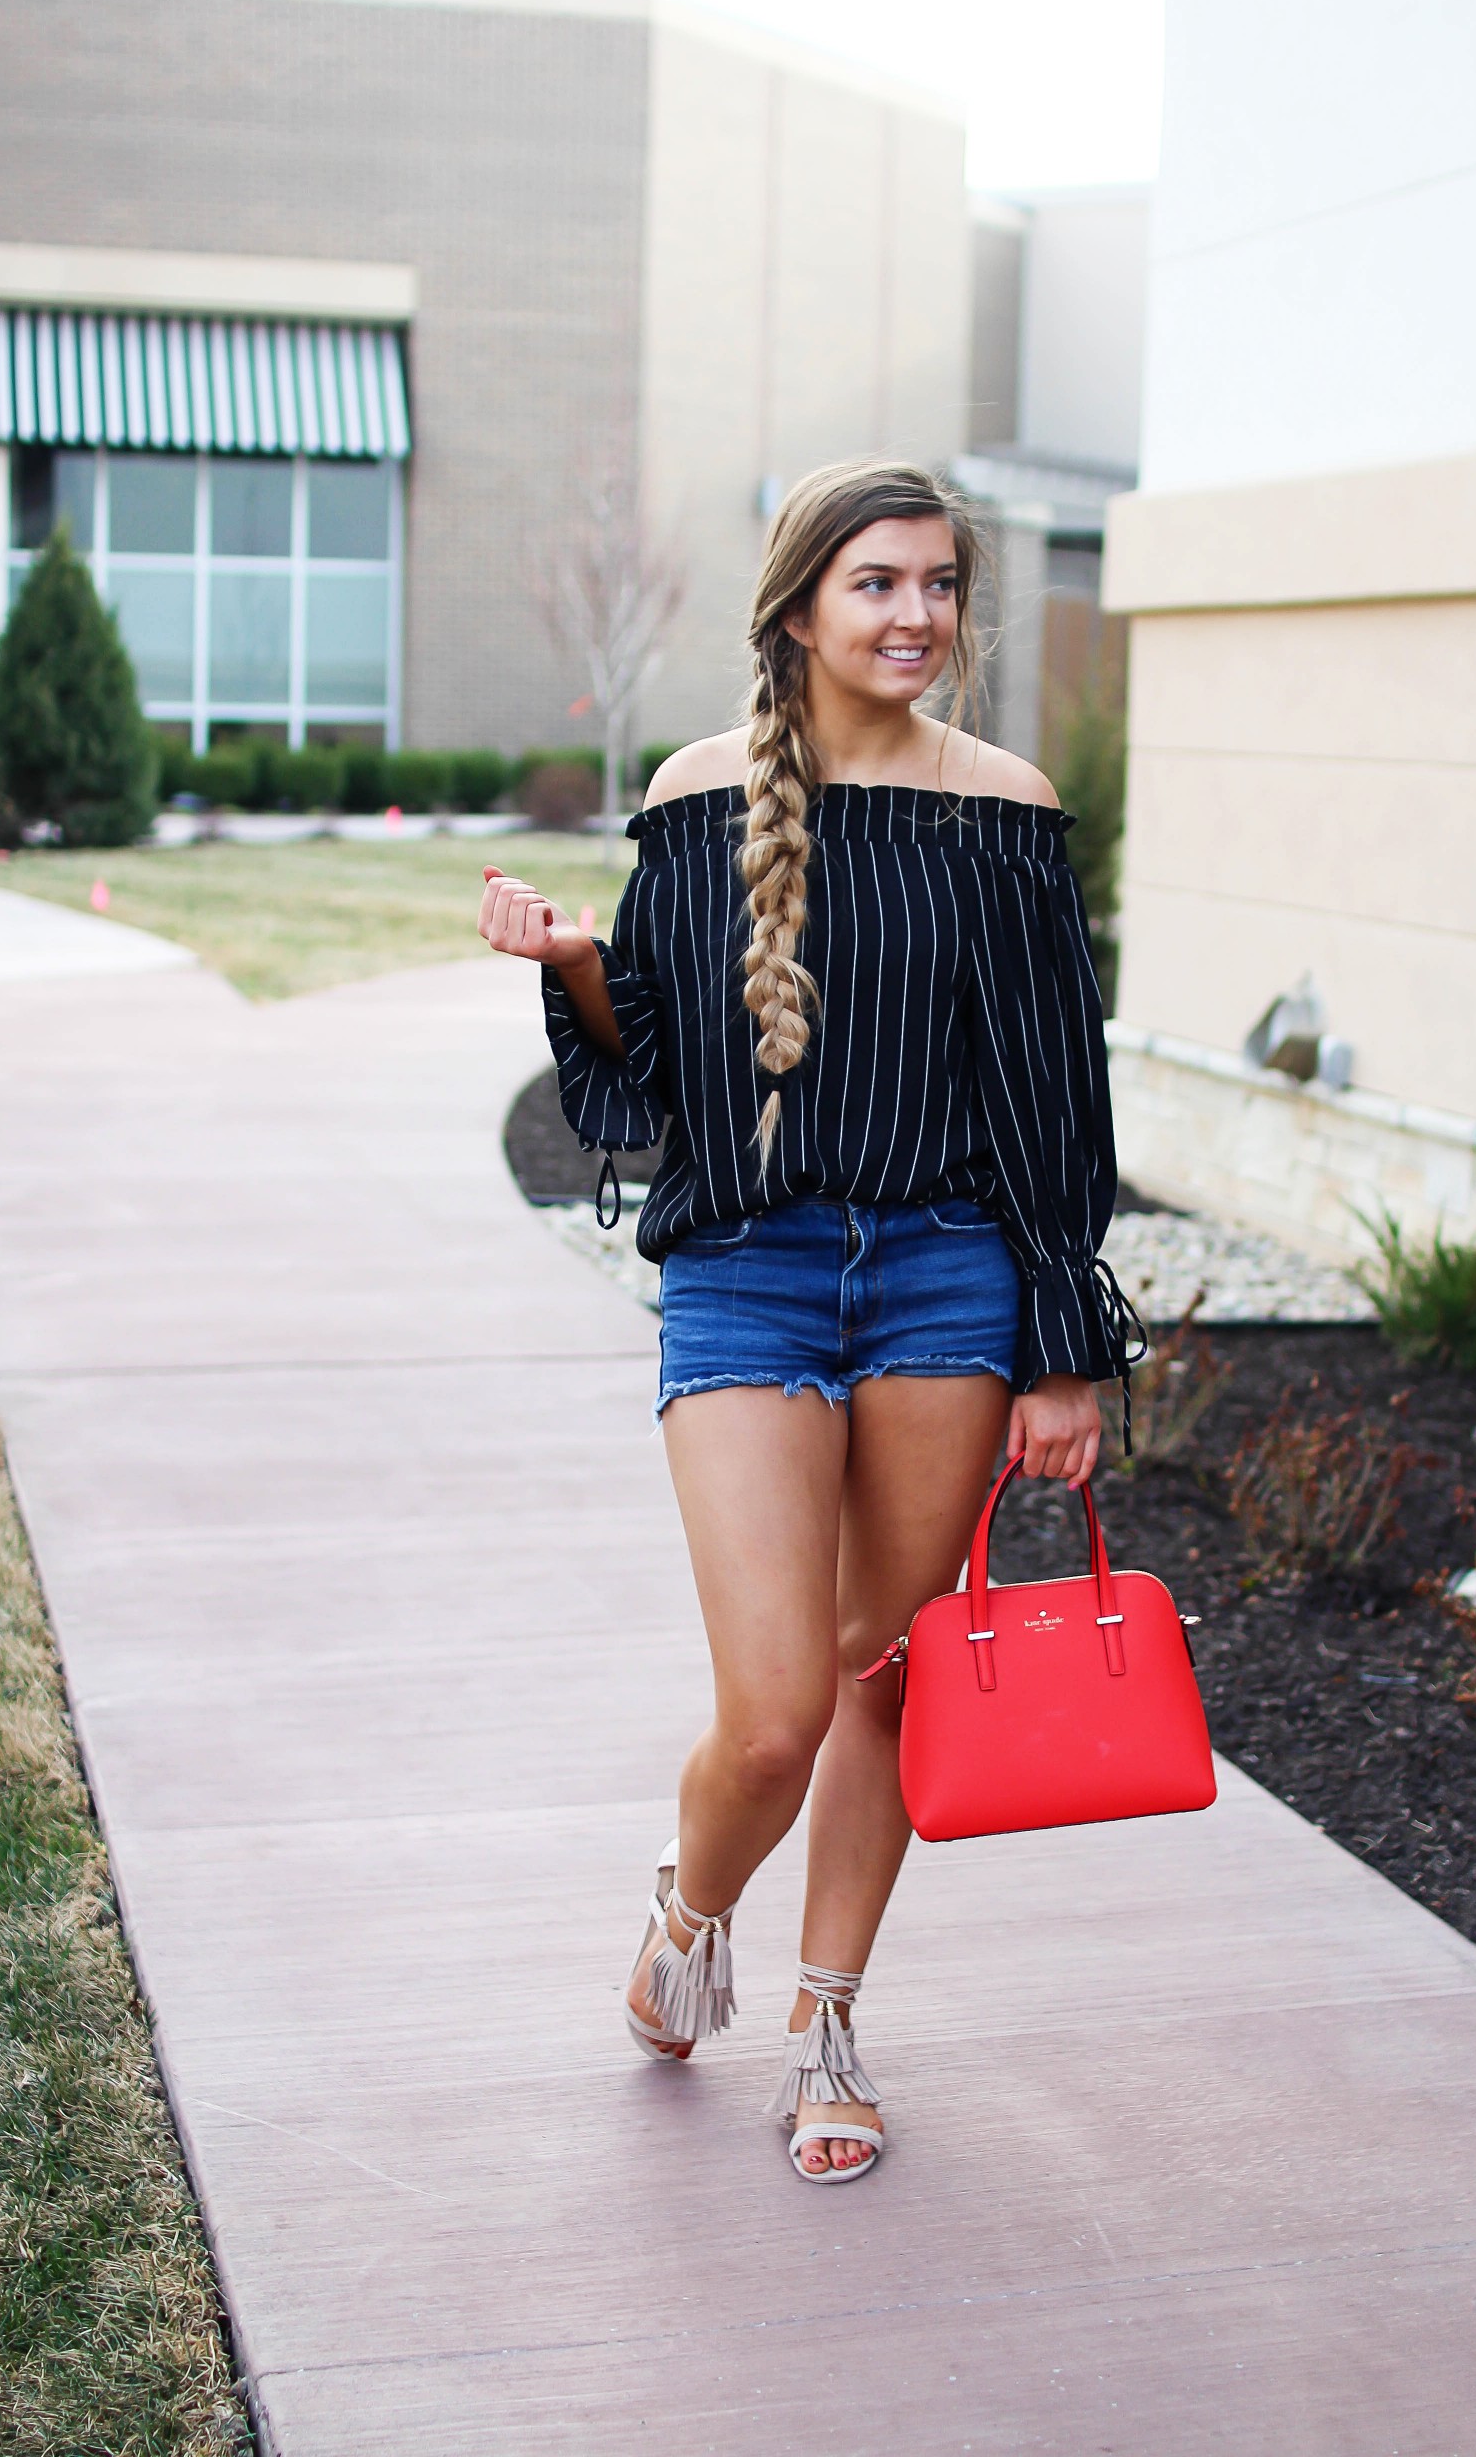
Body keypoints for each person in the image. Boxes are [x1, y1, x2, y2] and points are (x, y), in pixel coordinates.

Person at [479, 459, 1131, 2183]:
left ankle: (830, 2017)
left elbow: (1059, 1093)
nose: (915, 616)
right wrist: (573, 966)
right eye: (878, 586)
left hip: (948, 1276)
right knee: (773, 1711)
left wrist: (1066, 1343)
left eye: (939, 587)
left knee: (885, 1679)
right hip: (751, 1270)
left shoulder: (1005, 803)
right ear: (797, 608)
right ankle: (695, 1908)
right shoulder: (702, 799)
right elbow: (652, 1092)